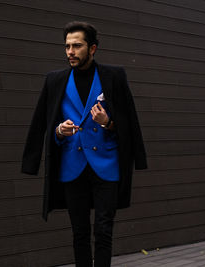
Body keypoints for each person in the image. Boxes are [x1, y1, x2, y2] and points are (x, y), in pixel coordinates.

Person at [21, 21, 147, 267]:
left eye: (77, 45)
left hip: (106, 164)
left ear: (92, 48)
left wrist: (107, 121)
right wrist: (59, 130)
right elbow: (43, 123)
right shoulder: (54, 80)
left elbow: (129, 121)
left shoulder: (114, 76)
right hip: (72, 164)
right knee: (79, 232)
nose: (70, 51)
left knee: (103, 231)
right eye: (67, 46)